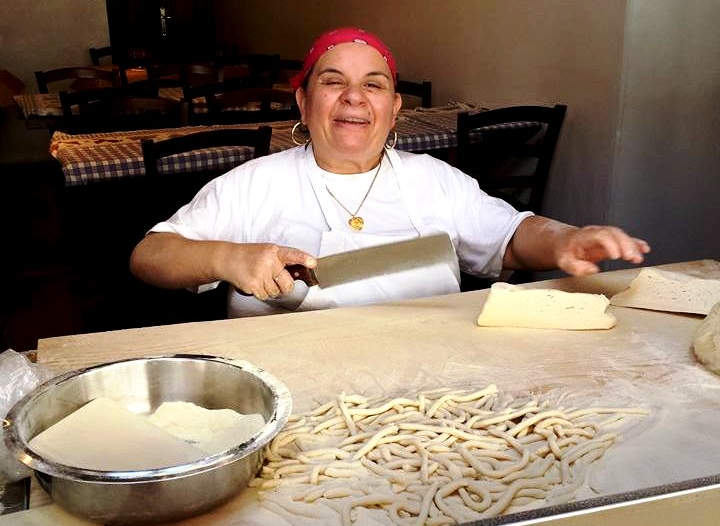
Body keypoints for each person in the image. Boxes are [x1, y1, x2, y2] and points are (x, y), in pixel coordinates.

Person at [129, 26, 650, 317]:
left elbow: (512, 237)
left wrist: (564, 240)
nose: (355, 97)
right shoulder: (253, 184)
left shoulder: (434, 180)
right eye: (333, 82)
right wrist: (226, 256)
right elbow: (149, 256)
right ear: (303, 103)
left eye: (373, 85)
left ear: (394, 106)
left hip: (433, 388)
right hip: (293, 389)